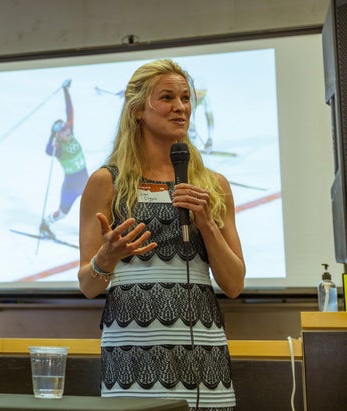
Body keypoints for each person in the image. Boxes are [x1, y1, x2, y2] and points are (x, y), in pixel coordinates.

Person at [78, 59, 245, 410]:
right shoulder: (105, 182)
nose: (181, 107)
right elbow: (88, 285)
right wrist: (106, 258)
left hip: (203, 348)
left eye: (186, 98)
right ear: (138, 110)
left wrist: (206, 223)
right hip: (131, 349)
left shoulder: (214, 185)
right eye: (167, 97)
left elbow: (233, 284)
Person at [40, 78, 89, 239]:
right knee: (62, 213)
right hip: (71, 185)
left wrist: (66, 91)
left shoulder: (70, 133)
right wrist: (51, 137)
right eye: (64, 130)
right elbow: (48, 151)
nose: (68, 129)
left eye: (67, 127)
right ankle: (45, 224)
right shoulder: (58, 148)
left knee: (99, 205)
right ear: (58, 135)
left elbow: (70, 112)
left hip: (85, 180)